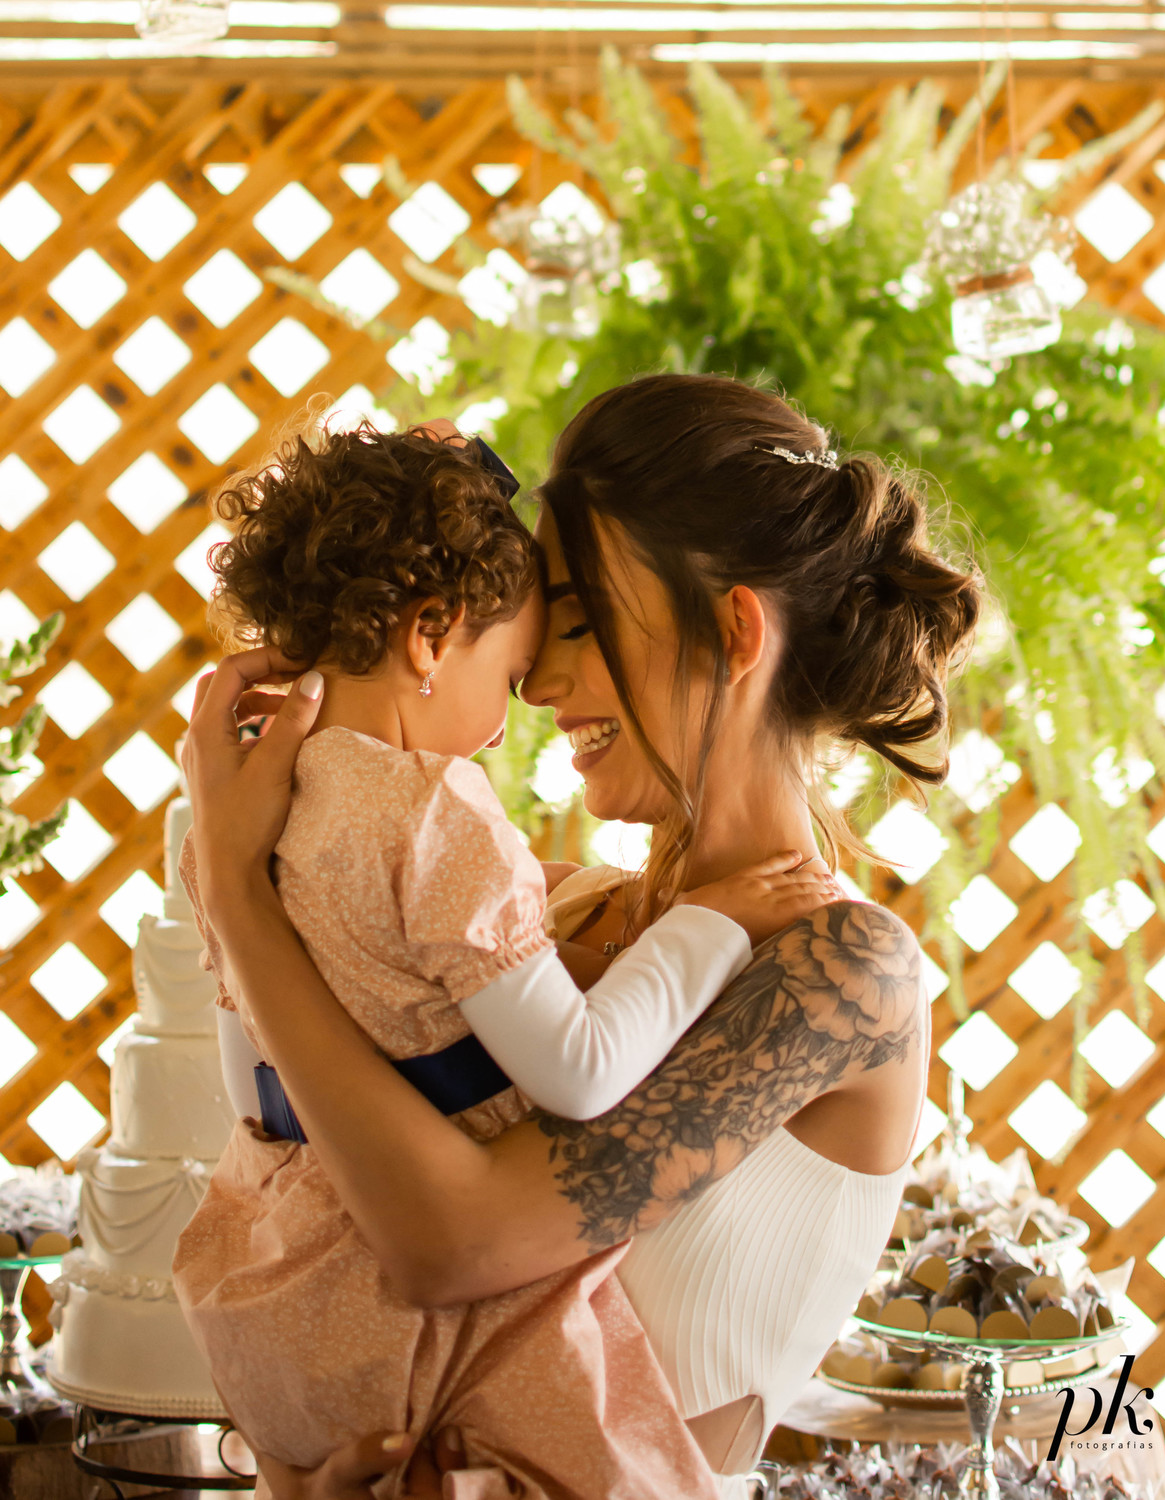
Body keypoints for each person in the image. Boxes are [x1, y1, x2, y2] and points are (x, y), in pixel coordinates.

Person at [182, 374, 982, 1498]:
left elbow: (447, 1247)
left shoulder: (842, 974)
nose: (539, 678)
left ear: (732, 631)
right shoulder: (542, 915)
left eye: (575, 618)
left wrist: (233, 890)